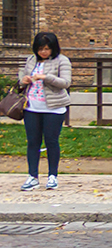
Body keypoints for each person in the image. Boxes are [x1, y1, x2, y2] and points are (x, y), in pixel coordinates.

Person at [19, 32, 71, 192]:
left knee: (51, 141)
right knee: (33, 142)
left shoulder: (61, 60)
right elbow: (21, 75)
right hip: (32, 107)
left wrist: (46, 77)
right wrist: (24, 79)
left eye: (47, 49)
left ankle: (52, 176)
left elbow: (66, 82)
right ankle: (32, 176)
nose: (43, 52)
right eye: (41, 49)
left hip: (53, 108)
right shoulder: (31, 60)